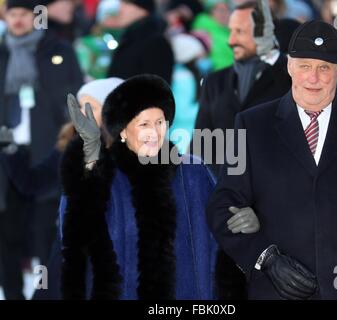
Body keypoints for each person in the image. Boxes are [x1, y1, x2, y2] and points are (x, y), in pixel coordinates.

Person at [207, 20, 337, 299]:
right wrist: (266, 258)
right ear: (289, 66)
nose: (313, 78)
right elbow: (224, 204)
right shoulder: (251, 125)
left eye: (324, 68)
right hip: (278, 293)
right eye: (304, 66)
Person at [59, 74, 224, 299]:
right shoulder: (105, 176)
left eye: (159, 122)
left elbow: (219, 234)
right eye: (144, 124)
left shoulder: (192, 172)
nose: (153, 133)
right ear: (124, 132)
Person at [0, 0, 83, 300]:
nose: (18, 20)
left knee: (46, 231)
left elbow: (71, 99)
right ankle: (12, 295)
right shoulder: (2, 52)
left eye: (24, 13)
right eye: (13, 14)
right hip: (7, 154)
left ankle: (44, 293)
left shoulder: (58, 51)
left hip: (47, 152)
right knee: (7, 232)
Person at [194, 0, 292, 177]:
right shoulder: (215, 82)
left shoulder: (293, 79)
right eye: (231, 31)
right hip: (221, 193)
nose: (231, 40)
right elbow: (201, 147)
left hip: (275, 195)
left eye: (239, 32)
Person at [107, 0, 174, 84]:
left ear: (142, 9)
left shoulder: (155, 43)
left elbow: (156, 91)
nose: (120, 9)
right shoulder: (130, 37)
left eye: (126, 3)